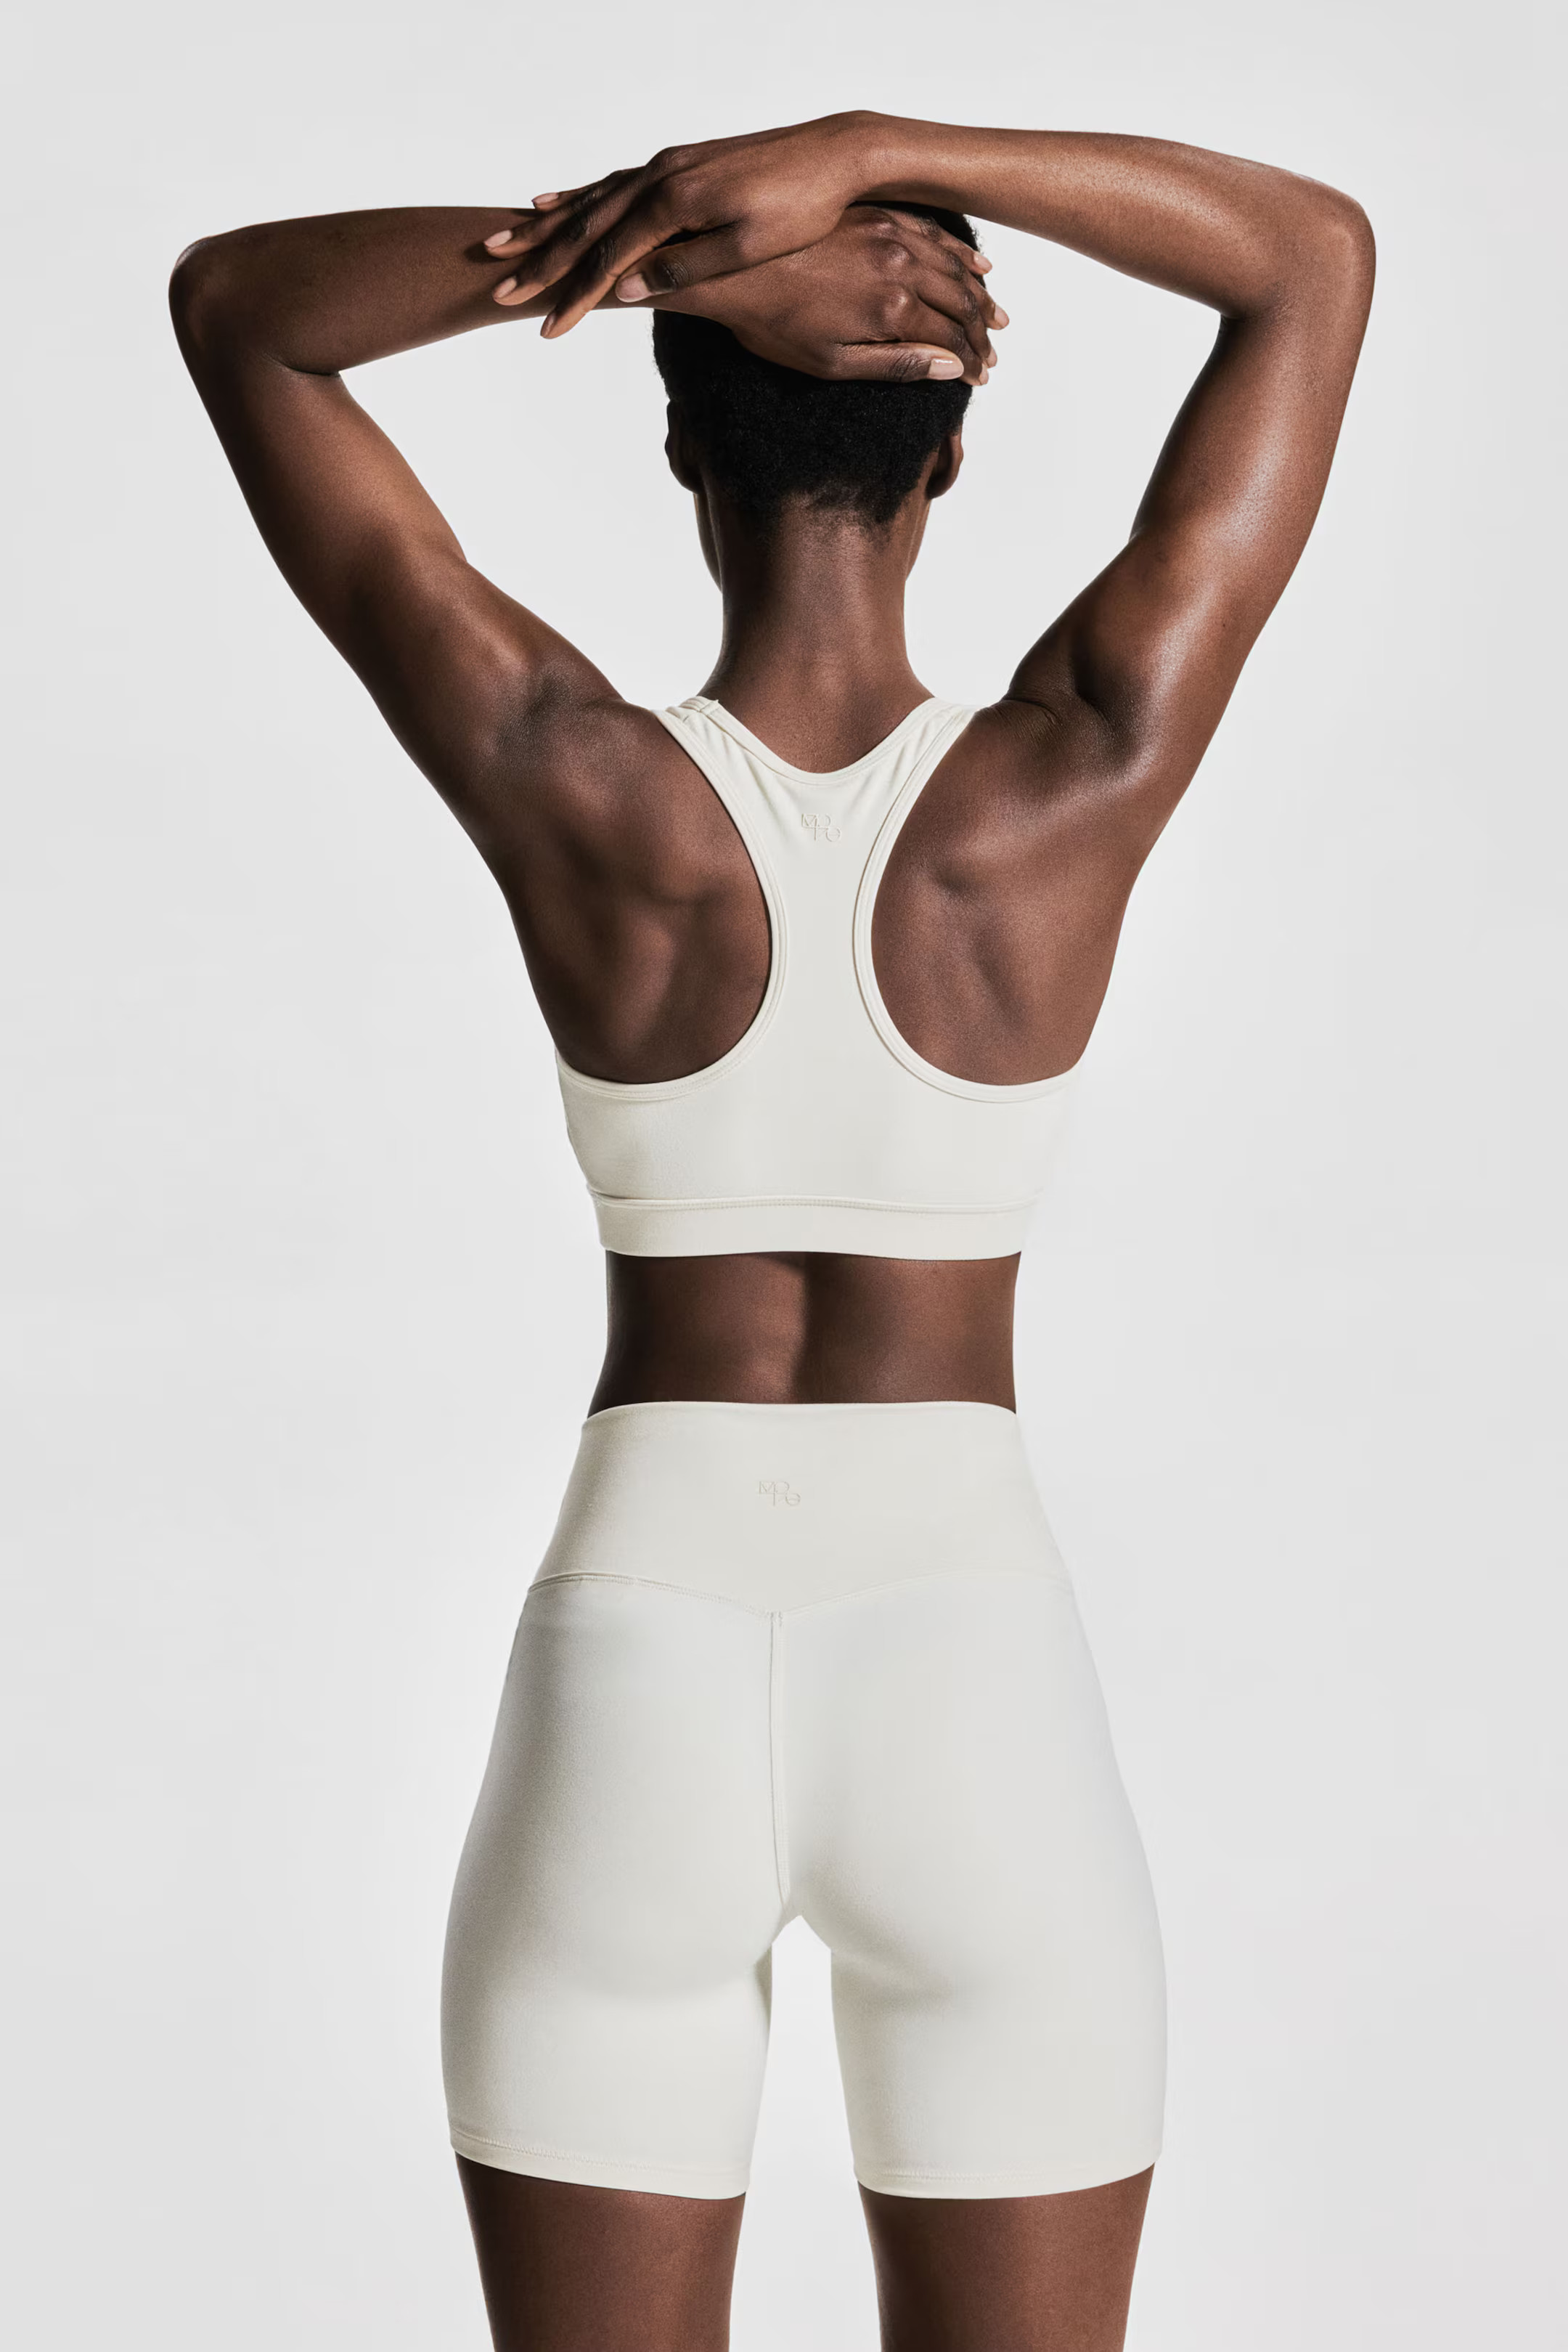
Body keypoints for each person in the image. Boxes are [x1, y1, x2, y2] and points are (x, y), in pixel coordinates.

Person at [171, 111, 1373, 2352]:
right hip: (970, 1654)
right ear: (949, 462)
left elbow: (240, 313)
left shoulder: (567, 774)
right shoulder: (1071, 780)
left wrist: (680, 262)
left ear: (679, 455)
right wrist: (883, 154)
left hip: (636, 1650)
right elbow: (1309, 255)